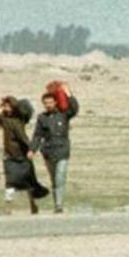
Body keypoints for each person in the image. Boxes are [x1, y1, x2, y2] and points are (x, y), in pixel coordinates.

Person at [0, 96, 49, 215]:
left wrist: (31, 149)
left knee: (27, 182)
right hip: (10, 156)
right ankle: (9, 207)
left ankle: (32, 205)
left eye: (8, 106)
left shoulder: (15, 121)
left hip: (21, 155)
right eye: (5, 106)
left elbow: (23, 138)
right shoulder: (8, 120)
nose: (6, 108)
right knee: (11, 182)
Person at [29, 84, 78, 214]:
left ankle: (59, 205)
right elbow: (37, 135)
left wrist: (68, 93)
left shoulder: (64, 114)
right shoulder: (42, 118)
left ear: (55, 102)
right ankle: (57, 204)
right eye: (46, 103)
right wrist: (32, 149)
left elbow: (74, 109)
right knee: (54, 179)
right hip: (48, 152)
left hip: (62, 150)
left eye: (50, 102)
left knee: (60, 176)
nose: (48, 105)